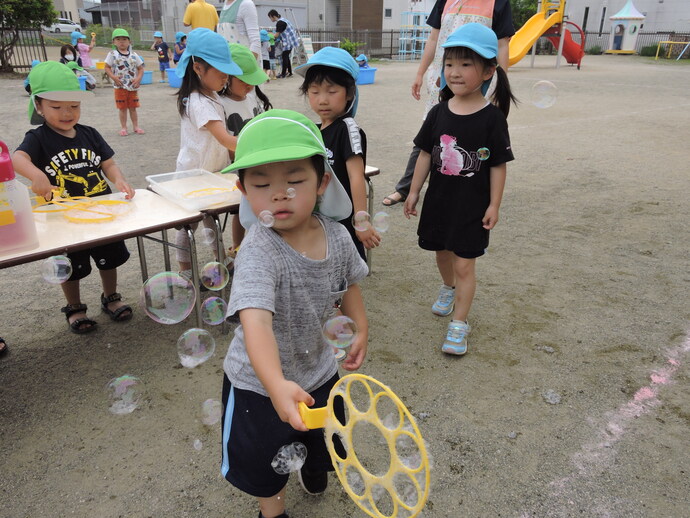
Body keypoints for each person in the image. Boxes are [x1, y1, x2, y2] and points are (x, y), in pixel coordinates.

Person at [218, 109, 369, 518]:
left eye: (294, 181)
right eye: (262, 184)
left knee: (324, 439)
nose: (279, 194)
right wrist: (275, 383)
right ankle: (273, 512)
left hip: (319, 369)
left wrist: (361, 329)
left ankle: (316, 468)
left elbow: (349, 284)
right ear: (244, 190)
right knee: (264, 461)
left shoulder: (337, 235)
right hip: (259, 385)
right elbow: (255, 320)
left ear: (321, 182)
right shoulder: (259, 250)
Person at [403, 23, 516, 355]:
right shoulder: (438, 112)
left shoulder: (492, 119)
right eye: (450, 63)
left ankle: (459, 323)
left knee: (465, 263)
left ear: (488, 71)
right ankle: (447, 287)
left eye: (466, 64)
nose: (455, 71)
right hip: (439, 202)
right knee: (441, 253)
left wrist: (495, 204)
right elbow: (425, 153)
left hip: (471, 207)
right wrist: (413, 191)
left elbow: (497, 164)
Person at [12, 62, 136, 334]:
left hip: (100, 211)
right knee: (70, 265)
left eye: (74, 106)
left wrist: (119, 179)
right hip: (63, 217)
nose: (67, 113)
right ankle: (75, 307)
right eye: (56, 107)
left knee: (109, 257)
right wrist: (36, 175)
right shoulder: (38, 138)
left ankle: (111, 297)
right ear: (39, 106)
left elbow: (108, 163)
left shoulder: (90, 133)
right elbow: (16, 158)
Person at [382, 0, 514, 207]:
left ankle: (474, 191)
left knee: (473, 136)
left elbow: (502, 44)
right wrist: (420, 73)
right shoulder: (446, 0)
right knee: (431, 135)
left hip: (478, 76)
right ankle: (406, 188)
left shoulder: (498, 2)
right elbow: (434, 39)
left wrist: (500, 82)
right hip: (444, 77)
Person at [296, 47, 380, 261]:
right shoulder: (313, 130)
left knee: (345, 275)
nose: (322, 100)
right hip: (320, 218)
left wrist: (360, 221)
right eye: (314, 92)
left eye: (331, 92)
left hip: (343, 221)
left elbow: (356, 176)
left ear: (350, 92)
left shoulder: (347, 128)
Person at [173, 28, 243, 277]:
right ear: (198, 68)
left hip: (210, 172)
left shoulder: (210, 95)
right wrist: (258, 143)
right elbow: (226, 139)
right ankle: (185, 272)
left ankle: (220, 258)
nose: (226, 77)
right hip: (193, 176)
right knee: (187, 226)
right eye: (221, 72)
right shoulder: (199, 102)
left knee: (211, 222)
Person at [219, 43, 271, 256]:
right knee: (240, 210)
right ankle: (238, 247)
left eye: (252, 80)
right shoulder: (220, 103)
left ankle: (257, 246)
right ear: (226, 76)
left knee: (258, 207)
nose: (249, 85)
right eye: (243, 80)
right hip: (238, 167)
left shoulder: (253, 98)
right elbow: (225, 142)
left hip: (259, 162)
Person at [104, 28, 145, 136]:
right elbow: (107, 67)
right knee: (122, 108)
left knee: (133, 108)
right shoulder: (112, 54)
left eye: (124, 39)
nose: (121, 41)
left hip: (132, 86)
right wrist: (114, 77)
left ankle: (136, 126)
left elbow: (141, 68)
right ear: (114, 42)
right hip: (120, 86)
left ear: (129, 41)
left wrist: (138, 79)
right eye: (118, 39)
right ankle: (123, 127)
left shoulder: (134, 55)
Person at [268, 9, 299, 78]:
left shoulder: (280, 23)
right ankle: (289, 72)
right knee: (286, 56)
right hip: (291, 41)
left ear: (272, 16)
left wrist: (268, 35)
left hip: (288, 41)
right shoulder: (284, 20)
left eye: (270, 17)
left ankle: (283, 74)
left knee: (284, 56)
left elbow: (276, 35)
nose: (270, 19)